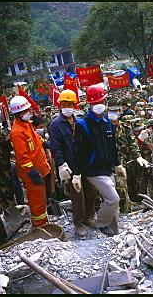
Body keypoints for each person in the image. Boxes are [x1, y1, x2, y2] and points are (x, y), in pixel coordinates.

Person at [69, 86, 124, 236]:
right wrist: (76, 174)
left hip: (107, 168)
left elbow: (112, 145)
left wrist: (117, 164)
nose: (100, 104)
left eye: (101, 101)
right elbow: (77, 151)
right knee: (113, 199)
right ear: (90, 104)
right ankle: (101, 223)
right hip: (93, 170)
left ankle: (115, 233)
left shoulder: (106, 121)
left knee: (110, 200)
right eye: (96, 102)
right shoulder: (83, 124)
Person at [50, 90, 94, 237]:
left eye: (70, 104)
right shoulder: (56, 124)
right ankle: (79, 223)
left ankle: (89, 217)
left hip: (85, 162)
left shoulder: (80, 120)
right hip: (70, 164)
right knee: (77, 195)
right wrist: (62, 165)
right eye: (64, 104)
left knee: (90, 190)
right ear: (60, 106)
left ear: (74, 105)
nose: (67, 106)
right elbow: (56, 146)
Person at [9, 95, 51, 227]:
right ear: (18, 114)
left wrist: (44, 143)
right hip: (32, 172)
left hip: (39, 168)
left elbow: (35, 139)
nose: (28, 112)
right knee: (36, 200)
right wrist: (32, 171)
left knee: (41, 197)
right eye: (25, 111)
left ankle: (42, 220)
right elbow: (22, 157)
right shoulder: (17, 132)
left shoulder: (27, 125)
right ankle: (39, 225)